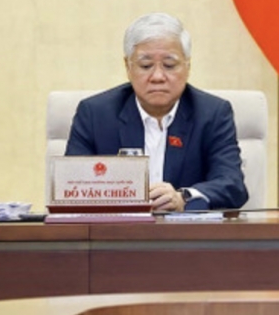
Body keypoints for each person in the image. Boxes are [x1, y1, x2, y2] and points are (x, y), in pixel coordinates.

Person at [66, 13, 248, 211]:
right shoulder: (95, 114)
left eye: (169, 65)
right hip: (116, 236)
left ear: (188, 66)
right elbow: (70, 187)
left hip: (187, 238)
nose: (158, 76)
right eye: (146, 66)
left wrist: (183, 198)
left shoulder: (212, 114)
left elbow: (232, 185)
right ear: (128, 67)